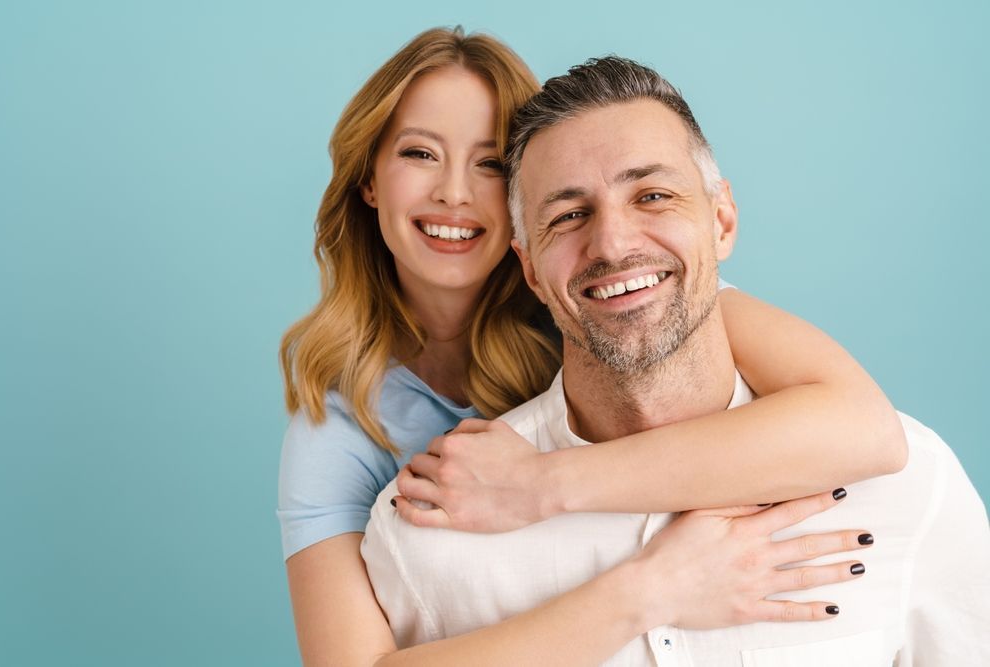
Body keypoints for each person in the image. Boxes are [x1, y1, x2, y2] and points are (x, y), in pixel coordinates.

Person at [277, 28, 906, 665]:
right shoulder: (341, 424)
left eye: (490, 163)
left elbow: (864, 429)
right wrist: (652, 591)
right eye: (419, 153)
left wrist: (541, 484)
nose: (454, 193)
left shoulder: (619, 300)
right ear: (368, 182)